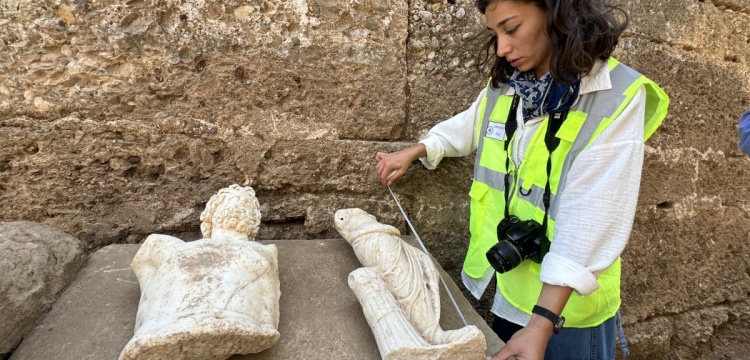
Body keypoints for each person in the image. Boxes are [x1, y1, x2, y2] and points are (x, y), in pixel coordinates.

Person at [374, 1, 669, 359]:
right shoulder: (509, 86)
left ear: (557, 14)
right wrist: (420, 149)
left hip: (567, 314)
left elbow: (592, 218)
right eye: (494, 34)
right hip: (511, 291)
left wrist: (542, 323)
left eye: (511, 29)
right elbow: (473, 123)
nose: (502, 48)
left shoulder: (616, 96)